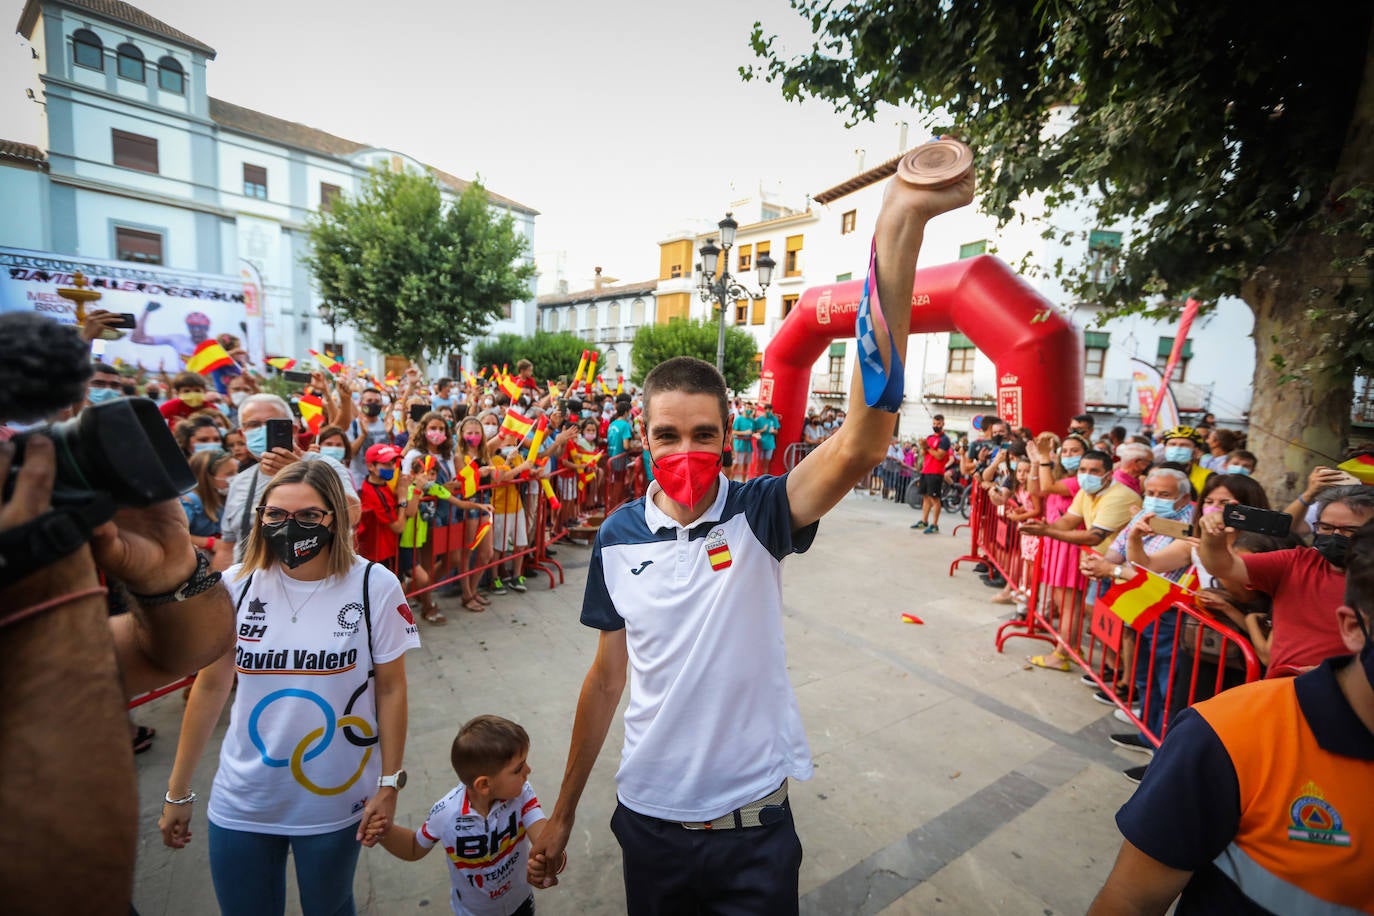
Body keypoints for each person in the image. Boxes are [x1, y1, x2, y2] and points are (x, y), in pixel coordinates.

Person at [526, 164, 975, 912]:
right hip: (650, 822)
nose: (685, 451)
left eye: (704, 434)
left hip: (754, 830)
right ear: (640, 437)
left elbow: (863, 442)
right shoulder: (616, 535)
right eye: (666, 435)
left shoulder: (763, 513)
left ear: (731, 436)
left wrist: (897, 232)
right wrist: (565, 811)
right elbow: (607, 680)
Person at [159, 460, 420, 916]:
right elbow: (212, 686)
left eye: (308, 516)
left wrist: (389, 784)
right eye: (275, 515)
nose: (289, 526)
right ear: (260, 517)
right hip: (244, 798)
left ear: (334, 518)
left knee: (331, 909)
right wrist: (177, 792)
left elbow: (392, 691)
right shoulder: (234, 585)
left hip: (335, 799)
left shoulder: (373, 585)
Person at [1087, 520, 1374, 915]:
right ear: (1354, 627)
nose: (1334, 536)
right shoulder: (1228, 735)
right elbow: (1130, 901)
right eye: (1326, 526)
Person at [364, 715, 548, 916]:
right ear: (484, 785)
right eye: (519, 769)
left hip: (520, 903)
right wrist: (383, 830)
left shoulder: (522, 793)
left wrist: (549, 861)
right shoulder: (446, 813)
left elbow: (543, 836)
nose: (528, 771)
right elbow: (414, 847)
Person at [1199, 484, 1374, 677]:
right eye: (1326, 527)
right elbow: (1223, 566)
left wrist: (1339, 675)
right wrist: (1212, 536)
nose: (1335, 536)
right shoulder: (1295, 562)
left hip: (1353, 698)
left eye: (1349, 530)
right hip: (1282, 691)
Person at [217, 394, 359, 568]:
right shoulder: (240, 482)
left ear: (293, 430)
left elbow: (352, 514)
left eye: (272, 424)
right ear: (242, 434)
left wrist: (303, 473)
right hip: (253, 587)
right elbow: (228, 545)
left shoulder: (326, 466)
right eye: (254, 425)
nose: (263, 431)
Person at [1025, 433, 1090, 672]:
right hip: (1057, 544)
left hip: (1070, 546)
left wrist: (1043, 457)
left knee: (1069, 604)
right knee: (1063, 604)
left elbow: (1047, 486)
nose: (1070, 455)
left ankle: (1062, 653)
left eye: (1076, 451)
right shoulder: (1061, 476)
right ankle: (1071, 647)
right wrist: (1035, 462)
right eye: (1067, 450)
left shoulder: (1080, 481)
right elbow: (1036, 490)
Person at [1020, 450, 1139, 555]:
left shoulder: (1119, 496)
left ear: (1109, 475)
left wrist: (1047, 531)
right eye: (1082, 470)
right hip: (1101, 563)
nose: (1087, 475)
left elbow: (1095, 537)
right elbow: (1068, 521)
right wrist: (1045, 527)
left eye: (1094, 471)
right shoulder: (1085, 492)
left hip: (1122, 569)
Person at [181, 448, 237, 566]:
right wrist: (210, 543)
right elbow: (175, 536)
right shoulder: (190, 502)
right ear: (208, 477)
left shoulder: (223, 497)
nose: (236, 477)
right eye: (229, 474)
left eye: (237, 472)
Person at [912, 413, 951, 534]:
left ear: (943, 424)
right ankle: (924, 521)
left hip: (936, 472)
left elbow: (939, 455)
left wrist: (927, 448)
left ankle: (935, 524)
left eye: (938, 424)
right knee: (926, 497)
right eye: (934, 423)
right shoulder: (929, 437)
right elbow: (924, 454)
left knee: (935, 498)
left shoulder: (945, 440)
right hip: (926, 470)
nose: (936, 426)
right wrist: (923, 446)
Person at [1158, 426, 1212, 498]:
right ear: (1165, 449)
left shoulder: (1208, 477)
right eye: (1172, 444)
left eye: (1184, 445)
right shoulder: (1154, 472)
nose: (1177, 448)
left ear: (1196, 451)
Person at [731, 401, 756, 482]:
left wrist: (755, 434)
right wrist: (744, 432)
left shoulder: (752, 420)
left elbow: (754, 431)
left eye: (751, 408)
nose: (749, 409)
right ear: (744, 408)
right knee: (736, 464)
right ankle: (729, 481)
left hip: (748, 446)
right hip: (739, 445)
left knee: (746, 465)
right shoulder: (739, 419)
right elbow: (733, 431)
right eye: (748, 407)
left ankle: (744, 482)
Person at [755, 403, 781, 470]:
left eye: (770, 411)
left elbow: (777, 431)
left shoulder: (774, 419)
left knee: (766, 463)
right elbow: (755, 431)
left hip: (770, 444)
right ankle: (756, 478)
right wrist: (763, 430)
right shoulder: (759, 419)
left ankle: (764, 479)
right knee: (758, 463)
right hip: (760, 443)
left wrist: (773, 431)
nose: (769, 412)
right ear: (764, 410)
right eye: (767, 411)